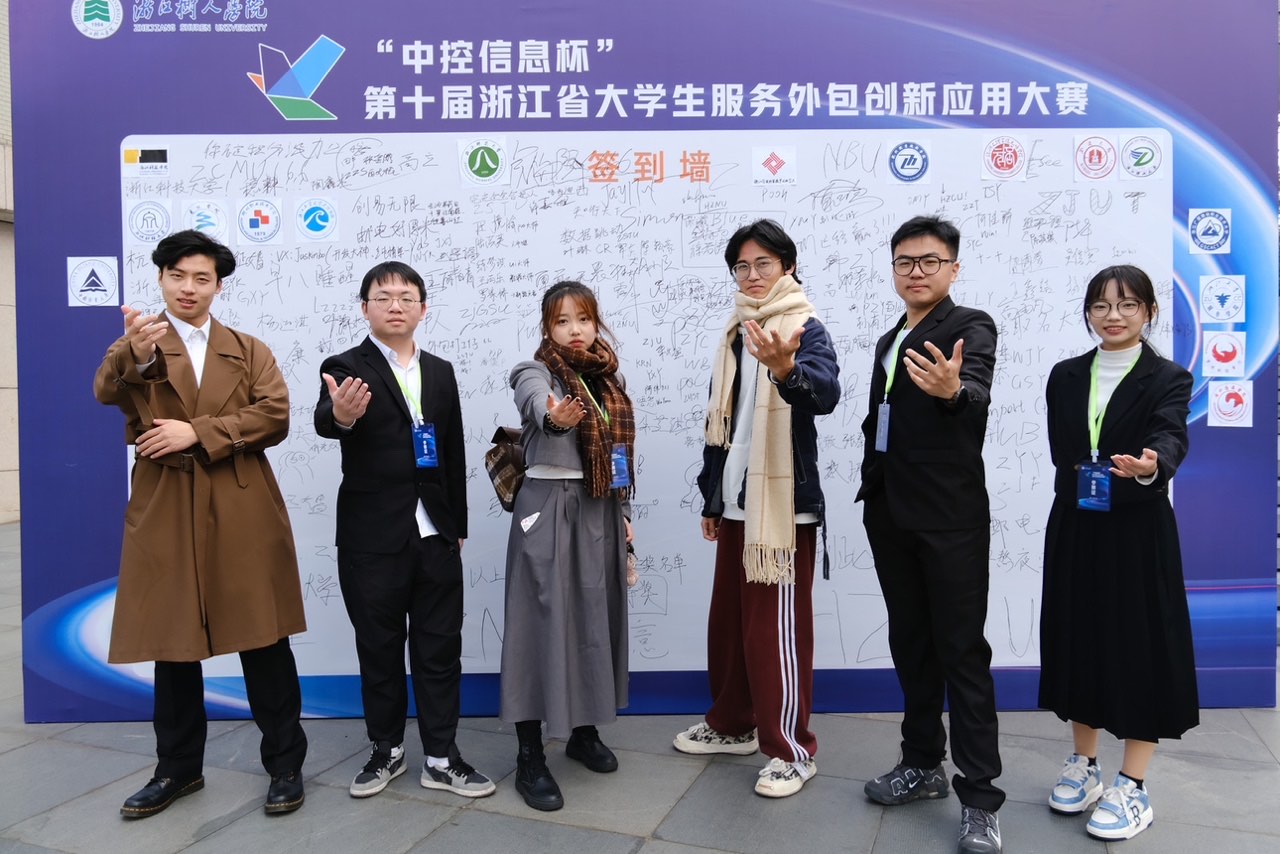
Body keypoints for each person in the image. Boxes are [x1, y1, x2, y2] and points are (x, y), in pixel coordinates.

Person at [93, 229, 308, 819]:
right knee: (173, 642)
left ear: (218, 286)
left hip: (241, 499)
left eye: (201, 278)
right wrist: (137, 355)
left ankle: (285, 765)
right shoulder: (137, 343)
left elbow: (275, 415)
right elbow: (106, 389)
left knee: (264, 636)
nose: (188, 288)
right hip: (166, 499)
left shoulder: (248, 348)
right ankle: (177, 769)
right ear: (161, 279)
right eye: (177, 276)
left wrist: (198, 431)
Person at [314, 261, 494, 800]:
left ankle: (441, 757)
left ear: (423, 308)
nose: (396, 305)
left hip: (435, 533)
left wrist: (456, 524)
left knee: (440, 649)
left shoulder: (440, 370)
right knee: (379, 650)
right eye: (383, 296)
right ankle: (386, 751)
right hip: (371, 537)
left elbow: (452, 448)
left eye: (407, 297)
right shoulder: (345, 365)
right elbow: (327, 420)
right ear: (364, 307)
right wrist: (342, 416)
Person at [672, 219, 839, 799]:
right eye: (741, 266)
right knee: (730, 625)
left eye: (763, 263)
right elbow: (721, 427)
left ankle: (791, 750)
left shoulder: (804, 327)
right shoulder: (735, 332)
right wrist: (713, 497)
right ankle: (733, 724)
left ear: (787, 267)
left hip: (782, 511)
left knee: (775, 633)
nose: (751, 275)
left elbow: (825, 394)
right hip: (738, 501)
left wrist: (787, 368)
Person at [855, 216, 1004, 853]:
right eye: (904, 262)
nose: (916, 272)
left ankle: (981, 799)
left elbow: (974, 391)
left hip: (949, 518)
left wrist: (953, 392)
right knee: (912, 645)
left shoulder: (970, 325)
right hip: (891, 513)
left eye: (929, 261)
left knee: (961, 653)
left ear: (953, 268)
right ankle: (922, 763)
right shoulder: (891, 337)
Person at [1039, 265, 1197, 841]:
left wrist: (1153, 464)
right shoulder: (1064, 375)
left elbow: (1171, 434)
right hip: (1077, 523)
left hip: (1137, 529)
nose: (1114, 315)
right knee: (1078, 638)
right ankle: (1084, 765)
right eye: (1102, 305)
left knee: (1138, 645)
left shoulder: (1168, 377)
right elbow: (1064, 450)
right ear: (1088, 312)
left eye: (1128, 304)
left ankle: (1133, 784)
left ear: (1149, 312)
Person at [502, 281, 636, 812]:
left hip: (600, 508)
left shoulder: (610, 380)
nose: (575, 330)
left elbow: (618, 457)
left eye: (583, 318)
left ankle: (583, 733)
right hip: (548, 508)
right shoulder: (534, 371)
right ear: (547, 328)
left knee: (592, 620)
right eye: (562, 321)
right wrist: (555, 418)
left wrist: (624, 515)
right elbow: (539, 406)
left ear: (596, 323)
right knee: (537, 625)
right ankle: (529, 755)